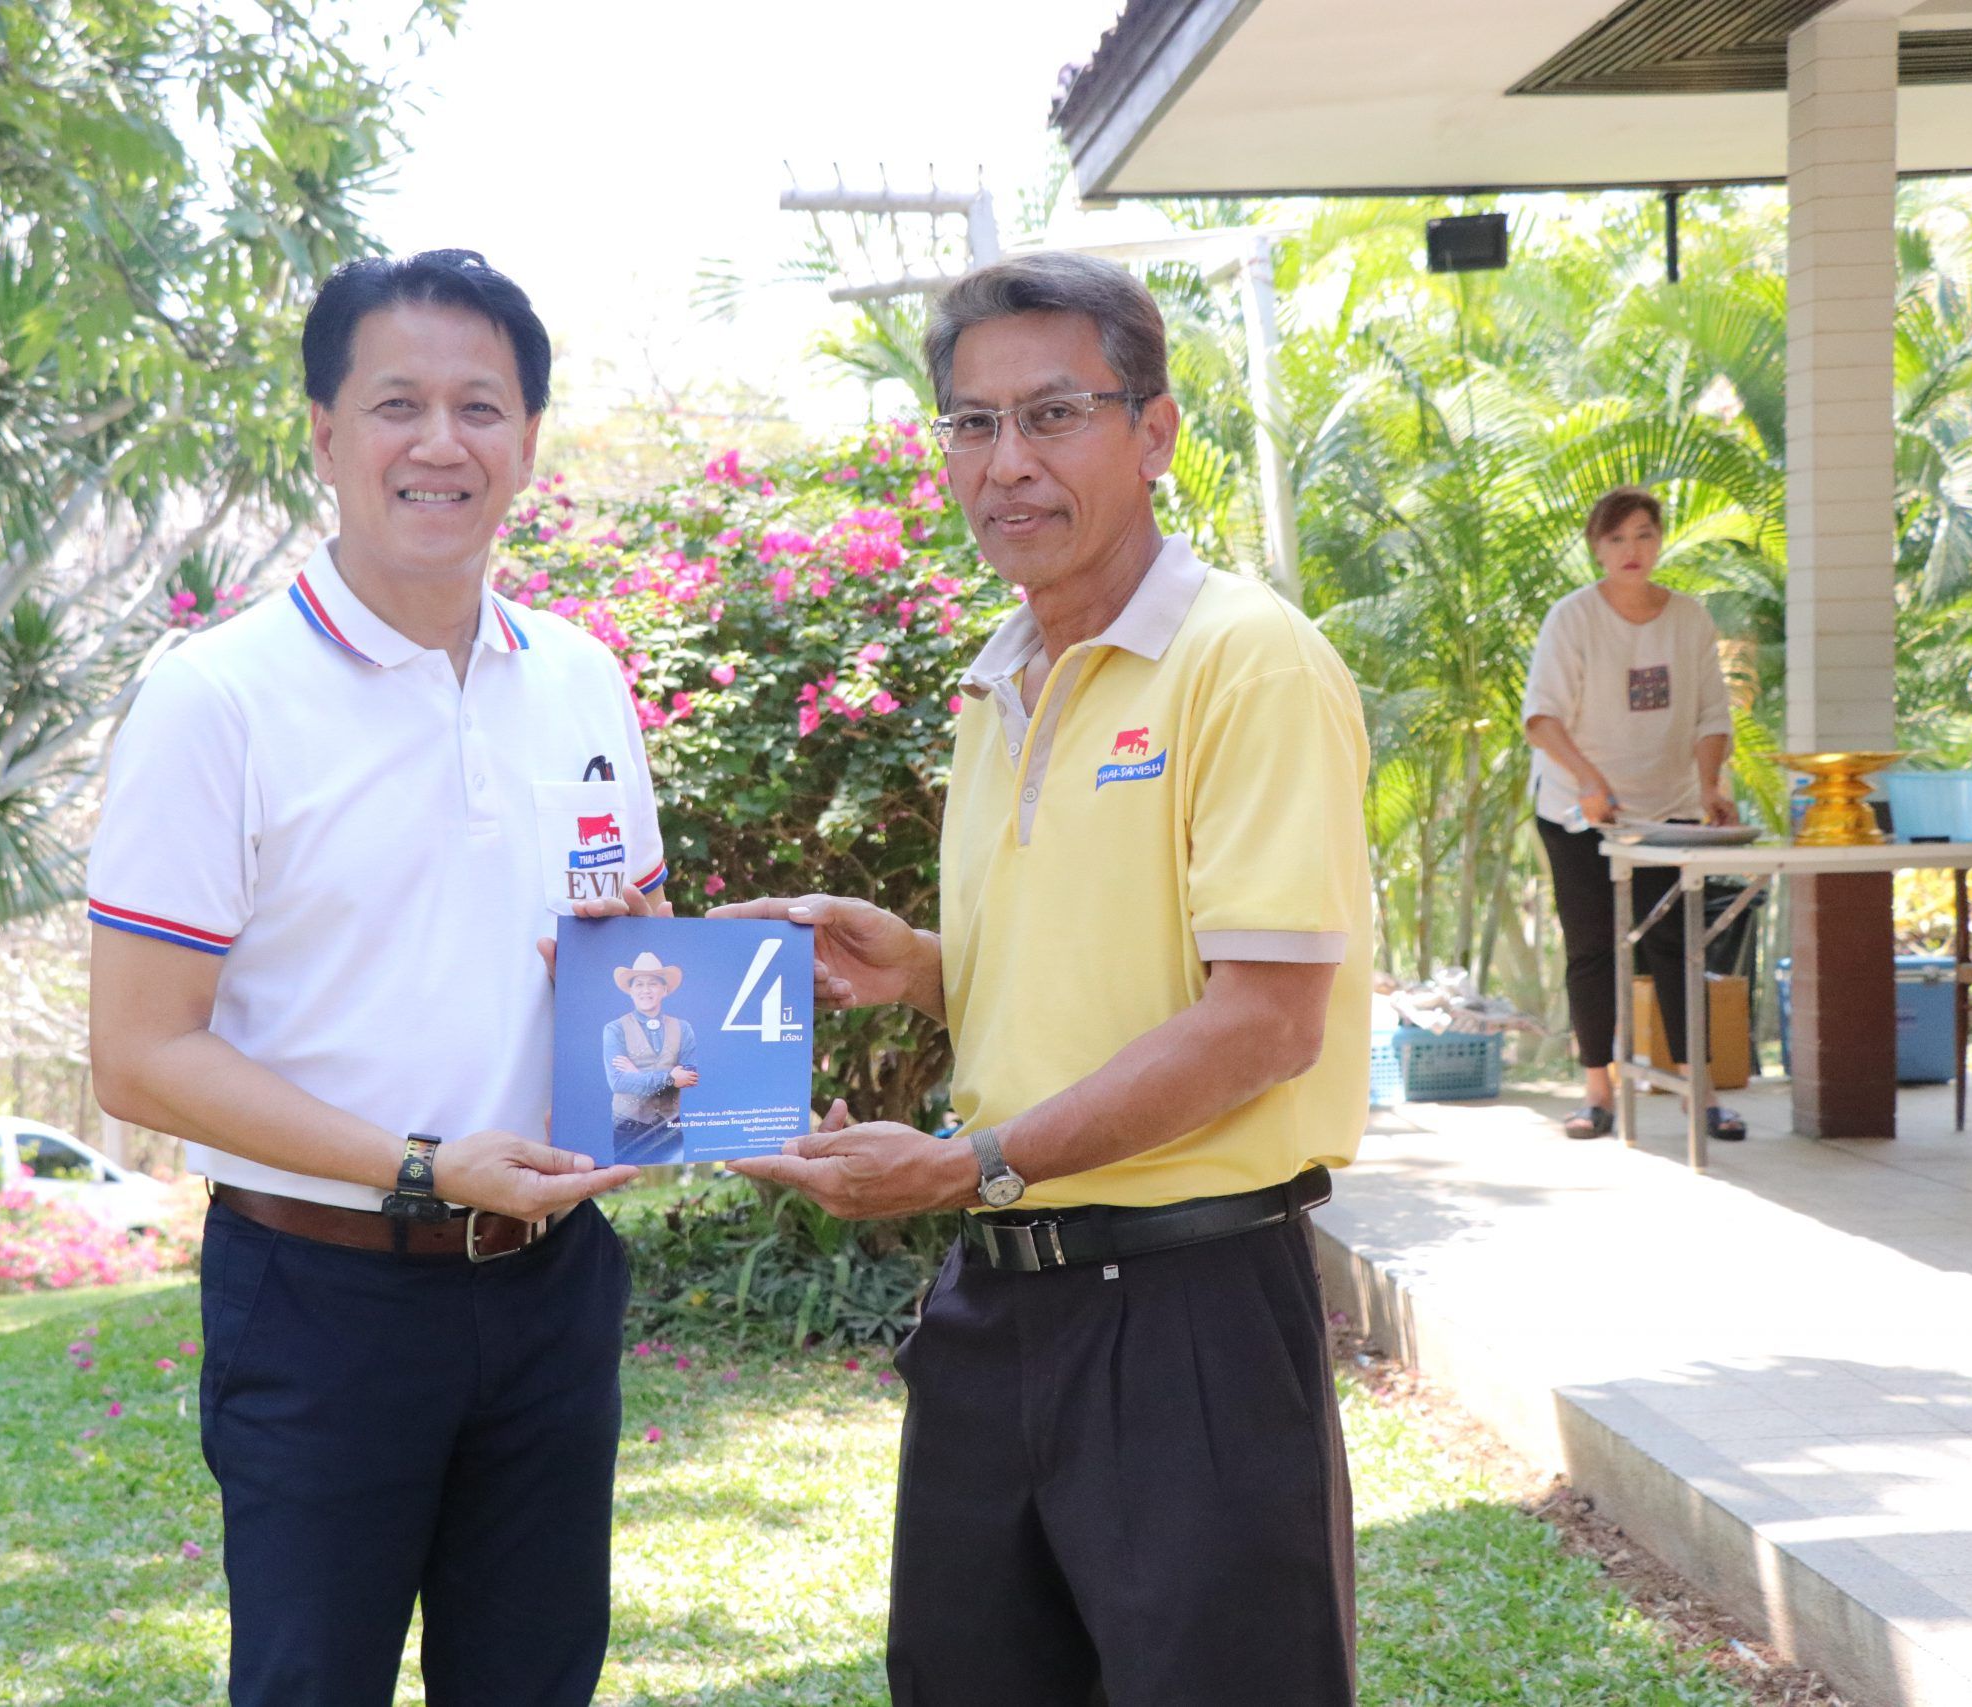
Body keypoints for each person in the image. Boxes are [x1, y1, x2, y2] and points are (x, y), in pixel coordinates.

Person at [718, 250, 1372, 1707]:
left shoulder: (1247, 661)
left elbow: (1264, 1021)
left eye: (1054, 413)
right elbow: (1106, 977)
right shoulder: (998, 677)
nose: (1006, 460)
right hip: (997, 1307)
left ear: (1156, 432)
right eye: (972, 422)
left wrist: (968, 1164)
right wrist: (923, 970)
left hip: (1189, 1309)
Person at [85, 249, 670, 1707]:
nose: (440, 441)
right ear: (324, 433)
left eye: (481, 406)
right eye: (396, 402)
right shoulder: (215, 697)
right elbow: (141, 1055)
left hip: (552, 1287)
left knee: (535, 1682)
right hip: (321, 1294)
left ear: (527, 439)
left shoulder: (582, 676)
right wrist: (422, 1168)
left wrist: (694, 1012)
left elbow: (629, 951)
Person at [1522, 485, 1745, 1142]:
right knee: (1593, 948)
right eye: (1616, 537)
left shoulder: (1689, 618)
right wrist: (1590, 782)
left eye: (1644, 534)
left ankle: (1700, 1093)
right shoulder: (1572, 618)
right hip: (1578, 812)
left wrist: (1709, 785)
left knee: (1677, 946)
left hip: (1670, 810)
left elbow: (1711, 714)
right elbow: (1542, 718)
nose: (1632, 549)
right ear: (1597, 547)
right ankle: (1598, 1092)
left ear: (1660, 540)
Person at [604, 950, 697, 1162]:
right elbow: (618, 1082)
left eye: (653, 984)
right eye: (639, 984)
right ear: (630, 991)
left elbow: (689, 1077)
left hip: (670, 1126)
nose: (646, 990)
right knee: (627, 1178)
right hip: (628, 1127)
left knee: (675, 1177)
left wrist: (636, 1075)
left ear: (664, 989)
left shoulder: (683, 1028)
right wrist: (670, 1078)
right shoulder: (615, 1029)